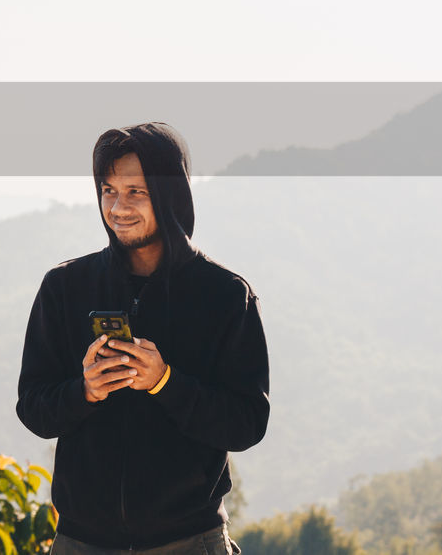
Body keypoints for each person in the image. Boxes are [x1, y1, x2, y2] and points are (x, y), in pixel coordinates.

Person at [16, 122, 270, 555]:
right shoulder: (65, 287)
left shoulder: (225, 295)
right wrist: (85, 391)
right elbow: (33, 409)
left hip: (189, 541)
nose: (118, 207)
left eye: (137, 192)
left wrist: (165, 382)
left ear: (170, 194)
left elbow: (246, 424)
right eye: (109, 190)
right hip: (81, 543)